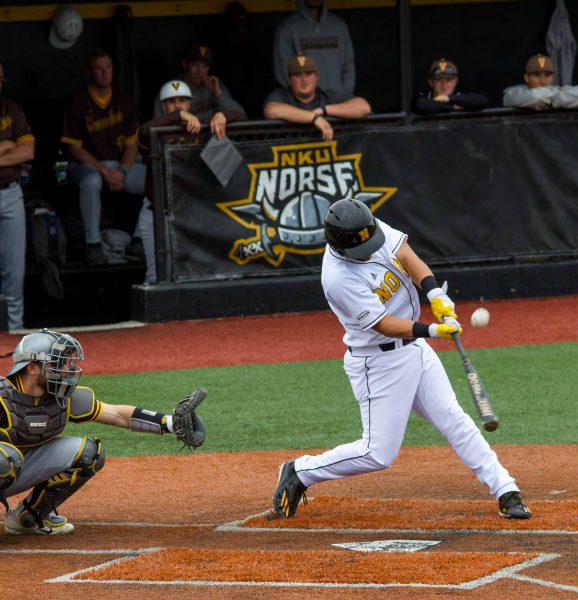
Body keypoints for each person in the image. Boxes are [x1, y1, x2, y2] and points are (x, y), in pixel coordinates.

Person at [271, 199, 532, 522]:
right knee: (377, 453)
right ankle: (300, 471)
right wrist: (432, 329)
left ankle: (505, 489)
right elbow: (381, 323)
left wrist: (436, 294)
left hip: (416, 352)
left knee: (454, 419)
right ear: (341, 246)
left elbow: (407, 256)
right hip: (378, 364)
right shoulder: (338, 278)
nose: (371, 249)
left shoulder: (366, 228)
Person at [1, 329, 206, 535]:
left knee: (89, 453)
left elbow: (117, 414)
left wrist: (170, 423)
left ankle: (29, 517)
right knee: (5, 458)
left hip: (18, 468)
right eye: (57, 364)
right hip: (6, 466)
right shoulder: (3, 397)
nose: (66, 370)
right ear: (33, 367)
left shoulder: (60, 397)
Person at [136, 80, 245, 284]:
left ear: (190, 104)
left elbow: (241, 116)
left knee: (191, 274)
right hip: (156, 213)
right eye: (172, 102)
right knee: (155, 277)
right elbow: (143, 131)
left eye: (182, 101)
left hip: (189, 215)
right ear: (163, 106)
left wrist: (222, 114)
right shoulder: (155, 130)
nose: (178, 105)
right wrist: (177, 117)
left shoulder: (199, 127)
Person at [61, 49, 143, 266]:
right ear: (89, 72)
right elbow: (74, 149)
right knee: (91, 182)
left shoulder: (124, 101)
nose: (105, 73)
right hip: (86, 166)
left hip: (119, 165)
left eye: (108, 68)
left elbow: (132, 144)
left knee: (157, 177)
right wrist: (104, 171)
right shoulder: (78, 102)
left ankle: (139, 239)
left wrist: (122, 171)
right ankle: (93, 245)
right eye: (99, 68)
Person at [263, 53, 370, 141]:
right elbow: (272, 110)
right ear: (289, 79)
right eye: (297, 75)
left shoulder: (329, 96)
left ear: (316, 76)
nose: (304, 80)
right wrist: (314, 118)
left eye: (308, 74)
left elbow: (363, 108)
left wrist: (323, 110)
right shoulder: (281, 95)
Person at [0, 63, 34, 332]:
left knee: (14, 272)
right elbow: (16, 148)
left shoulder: (11, 110)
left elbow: (28, 151)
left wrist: (13, 147)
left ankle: (14, 333)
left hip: (11, 194)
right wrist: (6, 145)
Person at [273, 0, 355, 95]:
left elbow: (348, 65)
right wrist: (304, 99)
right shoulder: (287, 28)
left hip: (338, 103)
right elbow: (283, 71)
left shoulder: (339, 26)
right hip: (303, 105)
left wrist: (344, 96)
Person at [152, 43, 247, 120]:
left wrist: (218, 93)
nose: (199, 72)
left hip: (212, 139)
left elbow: (240, 114)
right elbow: (157, 124)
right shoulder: (170, 89)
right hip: (181, 141)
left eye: (204, 67)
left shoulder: (215, 85)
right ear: (185, 65)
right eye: (195, 65)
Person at [503, 53, 578, 110]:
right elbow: (536, 97)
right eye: (537, 75)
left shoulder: (554, 90)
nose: (543, 81)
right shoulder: (512, 93)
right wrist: (556, 96)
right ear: (526, 78)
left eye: (547, 75)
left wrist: (552, 97)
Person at [411, 58, 488, 114]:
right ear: (430, 82)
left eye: (448, 80)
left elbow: (482, 100)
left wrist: (448, 98)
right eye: (439, 80)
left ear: (456, 81)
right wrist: (452, 107)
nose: (444, 85)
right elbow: (420, 105)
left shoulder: (460, 95)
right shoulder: (423, 95)